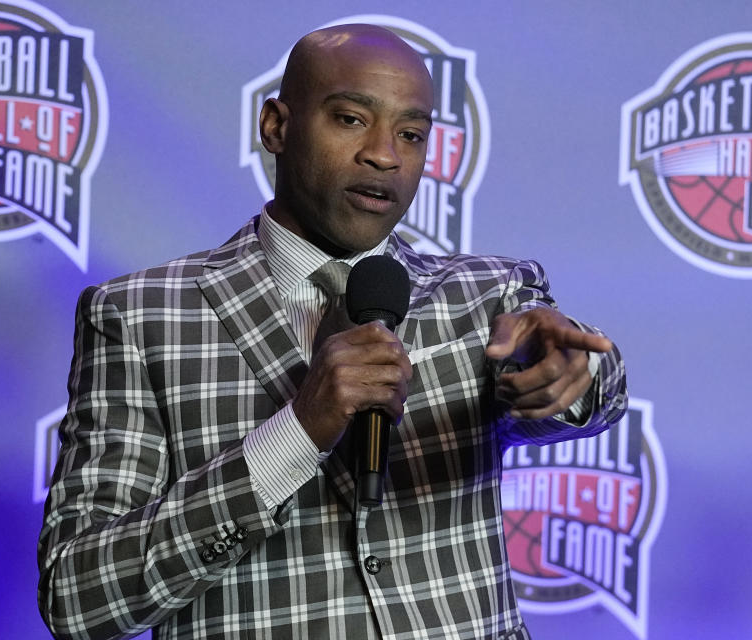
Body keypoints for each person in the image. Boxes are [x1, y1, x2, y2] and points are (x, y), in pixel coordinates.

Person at [38, 24, 627, 640]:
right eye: (350, 119)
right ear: (276, 126)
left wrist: (566, 373)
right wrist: (295, 432)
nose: (384, 154)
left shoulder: (486, 296)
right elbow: (79, 600)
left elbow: (593, 391)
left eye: (411, 134)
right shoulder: (139, 315)